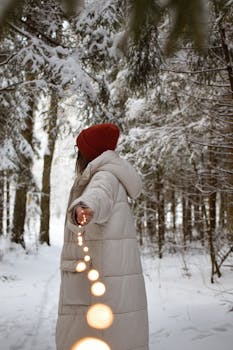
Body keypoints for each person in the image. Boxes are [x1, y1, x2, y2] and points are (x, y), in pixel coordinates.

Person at [56, 123, 149, 350]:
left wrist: (84, 208)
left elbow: (99, 196)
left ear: (90, 154)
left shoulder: (104, 177)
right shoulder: (107, 175)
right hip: (107, 280)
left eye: (80, 150)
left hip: (98, 283)